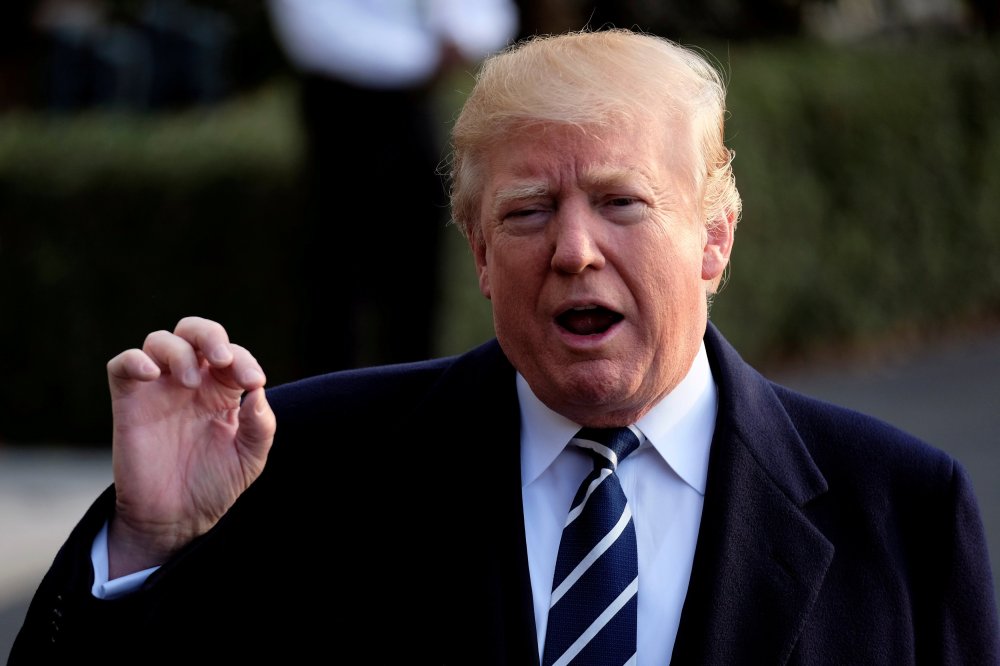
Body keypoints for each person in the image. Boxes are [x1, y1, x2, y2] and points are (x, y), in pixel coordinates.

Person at [10, 28, 999, 665]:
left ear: (713, 235)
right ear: (480, 255)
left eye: (620, 202)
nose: (573, 251)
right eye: (528, 212)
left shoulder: (901, 509)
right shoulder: (302, 467)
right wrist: (146, 546)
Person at [265, 0, 519, 373]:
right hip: (342, 110)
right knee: (336, 273)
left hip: (417, 108)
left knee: (417, 271)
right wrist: (425, 57)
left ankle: (414, 399)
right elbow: (314, 33)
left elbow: (489, 16)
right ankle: (329, 403)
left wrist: (460, 38)